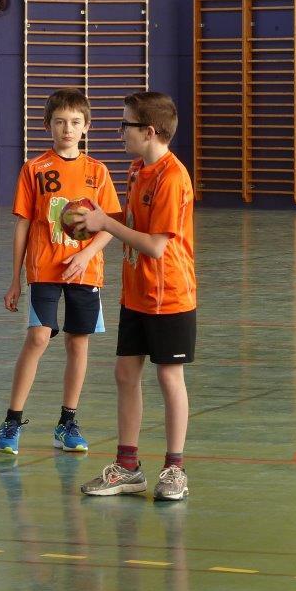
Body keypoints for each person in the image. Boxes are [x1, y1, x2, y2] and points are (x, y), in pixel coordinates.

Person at [72, 91, 195, 501]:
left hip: (170, 294)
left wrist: (105, 223)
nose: (120, 131)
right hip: (137, 292)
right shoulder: (137, 170)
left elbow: (156, 245)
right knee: (126, 373)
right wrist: (93, 219)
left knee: (169, 376)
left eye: (126, 124)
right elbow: (131, 222)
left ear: (150, 131)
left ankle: (174, 469)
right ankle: (127, 468)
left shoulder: (172, 177)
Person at [0, 88, 121, 455]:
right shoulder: (34, 169)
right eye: (60, 122)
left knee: (77, 342)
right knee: (38, 337)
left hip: (85, 271)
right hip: (44, 269)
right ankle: (12, 420)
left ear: (86, 127)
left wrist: (86, 255)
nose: (68, 129)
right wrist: (15, 279)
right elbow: (22, 225)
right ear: (47, 125)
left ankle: (67, 422)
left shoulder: (97, 172)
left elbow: (109, 225)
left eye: (75, 122)